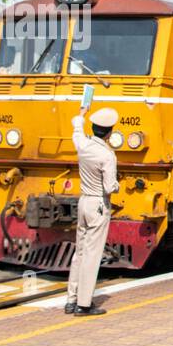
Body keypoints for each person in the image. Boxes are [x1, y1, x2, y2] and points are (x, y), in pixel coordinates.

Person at [65, 106, 120, 317]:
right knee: (92, 255)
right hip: (98, 204)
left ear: (94, 128)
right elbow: (109, 187)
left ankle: (71, 300)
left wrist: (81, 113)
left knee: (79, 252)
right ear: (109, 133)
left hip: (83, 202)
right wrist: (117, 185)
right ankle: (84, 304)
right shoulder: (107, 155)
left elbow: (76, 128)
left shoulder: (83, 145)